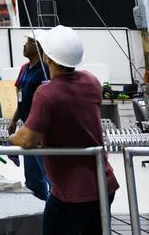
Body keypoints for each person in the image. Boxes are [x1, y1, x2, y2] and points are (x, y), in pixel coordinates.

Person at [9, 26, 118, 235]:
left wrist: (12, 139)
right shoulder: (91, 81)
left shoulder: (47, 92)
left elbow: (28, 139)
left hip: (71, 191)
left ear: (47, 56)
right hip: (104, 183)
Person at [12, 35, 50, 201]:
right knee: (32, 178)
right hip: (27, 126)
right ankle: (38, 207)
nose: (24, 45)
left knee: (48, 172)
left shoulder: (46, 69)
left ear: (39, 47)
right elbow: (21, 97)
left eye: (28, 43)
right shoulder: (24, 69)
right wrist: (14, 120)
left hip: (40, 130)